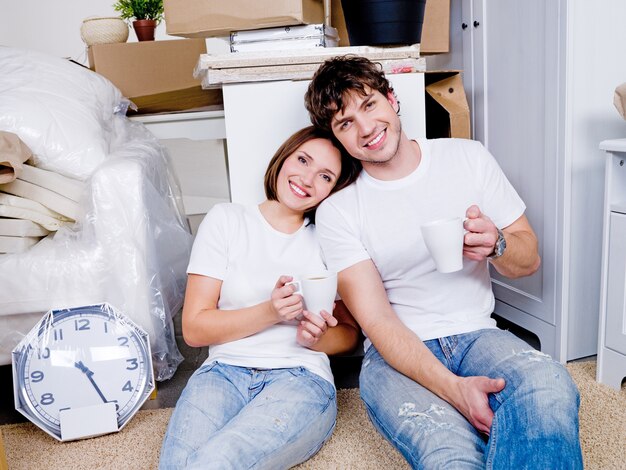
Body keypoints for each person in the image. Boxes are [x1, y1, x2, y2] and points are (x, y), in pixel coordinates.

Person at [304, 55, 583, 469]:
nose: (365, 129)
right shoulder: (340, 211)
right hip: (396, 355)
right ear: (337, 137)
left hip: (478, 336)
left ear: (391, 99)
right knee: (449, 455)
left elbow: (530, 260)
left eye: (369, 105)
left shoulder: (467, 158)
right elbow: (377, 322)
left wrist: (498, 244)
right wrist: (456, 391)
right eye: (345, 123)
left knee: (550, 386)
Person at [158, 126, 361, 469]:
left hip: (301, 377)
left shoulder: (330, 238)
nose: (307, 179)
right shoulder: (227, 220)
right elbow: (194, 329)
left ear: (334, 189)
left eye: (325, 176)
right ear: (283, 158)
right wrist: (270, 311)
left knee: (216, 462)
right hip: (223, 372)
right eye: (303, 160)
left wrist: (317, 337)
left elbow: (351, 335)